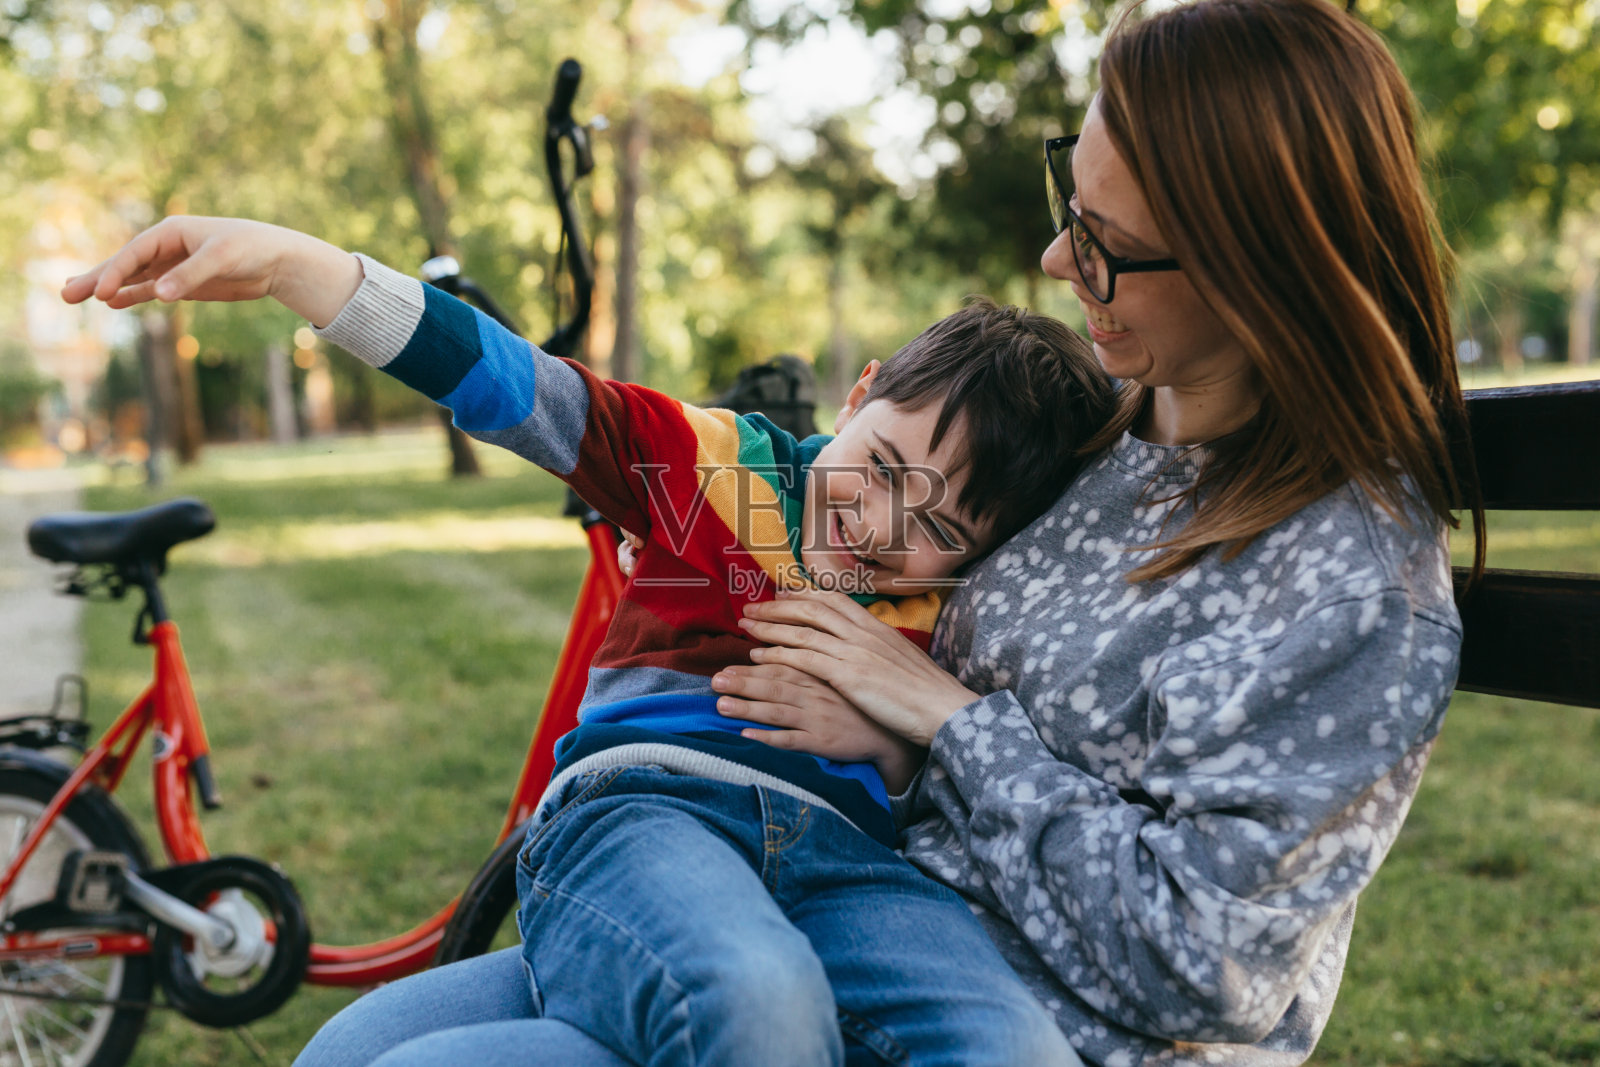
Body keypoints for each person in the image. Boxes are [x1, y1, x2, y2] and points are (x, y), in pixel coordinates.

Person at [62, 219, 1113, 1066]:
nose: (882, 526)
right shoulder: (716, 469)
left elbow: (980, 765)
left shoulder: (965, 606)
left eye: (938, 528)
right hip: (647, 820)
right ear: (858, 392)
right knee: (755, 997)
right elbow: (520, 387)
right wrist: (302, 267)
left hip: (852, 874)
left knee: (1010, 1042)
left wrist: (887, 744)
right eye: (880, 464)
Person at [704, 0, 1485, 1064]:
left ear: (1255, 270)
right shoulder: (1092, 447)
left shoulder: (1348, 589)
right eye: (1071, 208)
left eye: (1105, 246)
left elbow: (1202, 966)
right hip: (835, 938)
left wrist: (950, 723)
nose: (1056, 261)